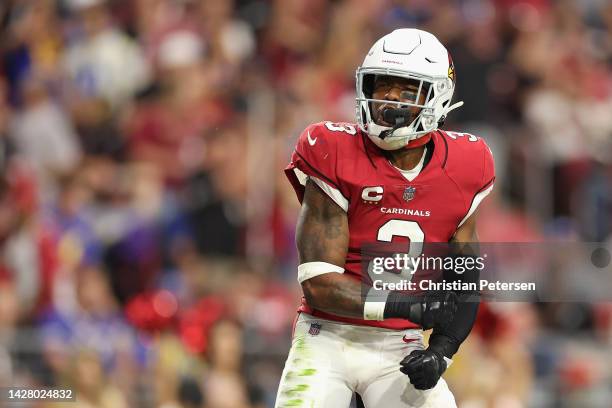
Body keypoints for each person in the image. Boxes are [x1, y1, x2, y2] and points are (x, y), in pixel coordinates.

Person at [277, 28, 495, 407]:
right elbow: (319, 285)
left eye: (406, 89)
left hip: (399, 344)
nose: (389, 98)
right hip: (325, 337)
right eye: (382, 85)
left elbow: (464, 276)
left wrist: (441, 351)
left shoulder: (467, 164)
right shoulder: (331, 149)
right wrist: (411, 305)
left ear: (437, 96)